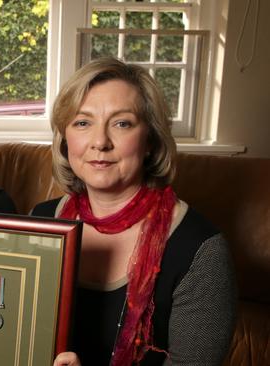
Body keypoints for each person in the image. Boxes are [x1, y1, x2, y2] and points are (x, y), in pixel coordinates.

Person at [31, 58, 236, 365]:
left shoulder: (201, 251)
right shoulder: (39, 222)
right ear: (65, 139)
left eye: (122, 123)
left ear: (151, 140)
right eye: (83, 122)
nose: (100, 142)